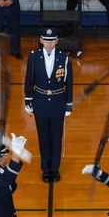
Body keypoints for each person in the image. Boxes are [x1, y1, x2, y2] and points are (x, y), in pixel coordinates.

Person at [24, 27, 73, 183]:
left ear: (57, 41)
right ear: (41, 40)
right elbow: (28, 80)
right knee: (43, 138)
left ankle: (55, 169)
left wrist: (69, 103)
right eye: (46, 41)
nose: (49, 44)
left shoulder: (64, 57)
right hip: (40, 102)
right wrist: (28, 100)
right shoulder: (34, 57)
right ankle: (46, 169)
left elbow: (69, 82)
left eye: (52, 41)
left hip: (58, 102)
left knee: (57, 138)